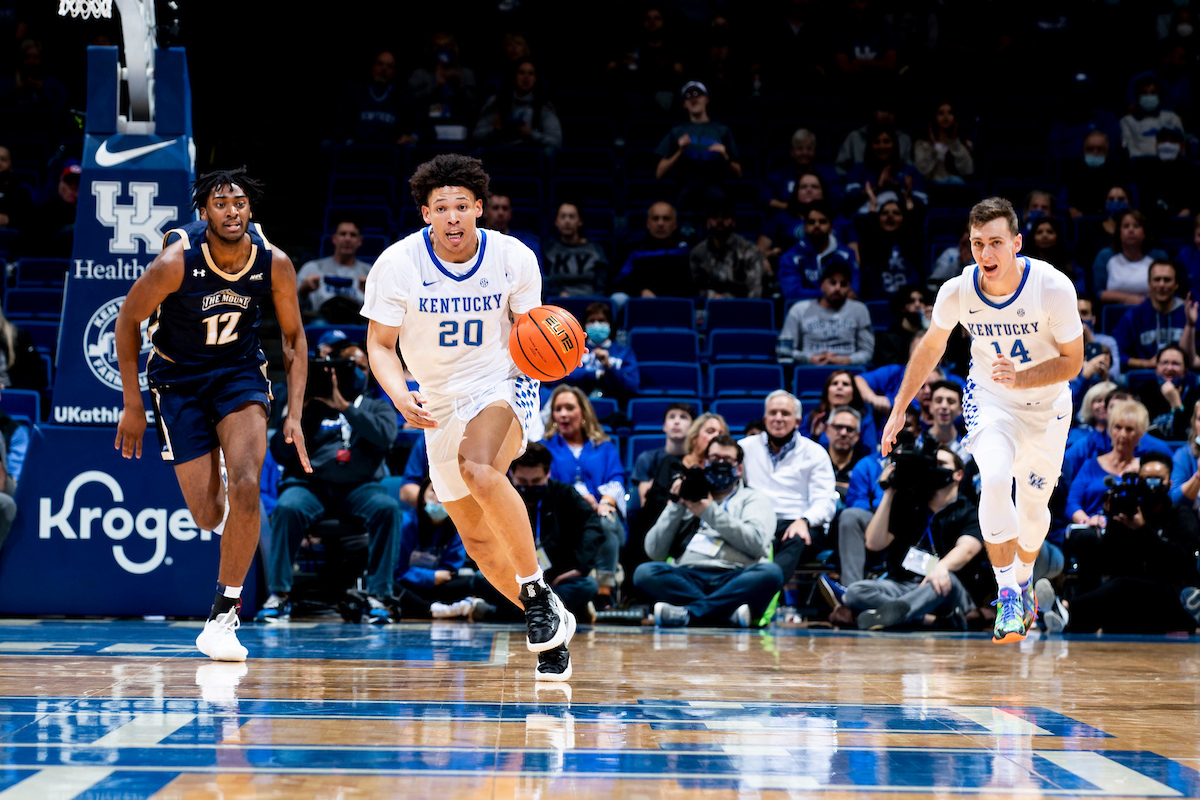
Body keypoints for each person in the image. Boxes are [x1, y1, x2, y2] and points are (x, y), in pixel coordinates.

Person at [361, 154, 574, 681]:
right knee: (478, 543)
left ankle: (534, 591)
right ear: (426, 215)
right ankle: (548, 616)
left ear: (479, 208)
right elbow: (380, 346)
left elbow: (534, 332)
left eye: (462, 205)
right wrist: (399, 394)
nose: (452, 216)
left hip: (503, 383)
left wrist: (557, 352)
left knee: (480, 469)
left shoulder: (512, 257)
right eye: (441, 207)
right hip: (436, 397)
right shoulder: (397, 264)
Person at [114, 168, 312, 661]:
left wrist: (294, 412)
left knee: (248, 482)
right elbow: (127, 319)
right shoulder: (175, 262)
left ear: (250, 210)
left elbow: (292, 338)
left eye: (240, 203)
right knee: (207, 516)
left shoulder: (274, 262)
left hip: (238, 374)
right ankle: (220, 475)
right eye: (221, 204)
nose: (232, 211)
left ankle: (223, 617)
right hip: (177, 381)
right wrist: (132, 403)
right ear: (204, 212)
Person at [879, 196, 1084, 644]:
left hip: (1048, 408)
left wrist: (1024, 376)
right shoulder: (958, 290)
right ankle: (1007, 592)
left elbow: (1074, 362)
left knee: (1033, 511)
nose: (986, 255)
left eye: (995, 243)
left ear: (1016, 243)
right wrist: (899, 409)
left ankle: (1025, 579)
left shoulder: (1052, 287)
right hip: (991, 400)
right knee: (992, 479)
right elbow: (931, 347)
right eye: (977, 244)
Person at [257, 348, 405, 624]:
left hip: (360, 489)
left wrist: (345, 407)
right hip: (310, 486)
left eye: (362, 367)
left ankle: (378, 596)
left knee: (387, 509)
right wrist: (304, 413)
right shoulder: (304, 405)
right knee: (288, 507)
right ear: (331, 372)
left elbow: (385, 437)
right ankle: (279, 596)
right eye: (349, 366)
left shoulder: (376, 405)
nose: (356, 372)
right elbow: (279, 452)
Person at [1041, 451, 1200, 635]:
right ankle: (1061, 620)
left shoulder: (1181, 516)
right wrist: (1113, 520)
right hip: (1135, 596)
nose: (1151, 486)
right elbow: (1110, 560)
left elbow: (1180, 562)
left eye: (1157, 480)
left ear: (1169, 484)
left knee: (1123, 587)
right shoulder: (1130, 511)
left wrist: (1143, 530)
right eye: (1146, 479)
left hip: (1174, 595)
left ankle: (1063, 608)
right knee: (1118, 594)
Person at [635, 434, 784, 627]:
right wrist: (676, 504)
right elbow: (655, 551)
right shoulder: (690, 495)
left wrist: (708, 512)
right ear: (705, 464)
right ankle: (724, 612)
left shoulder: (753, 499)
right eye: (714, 459)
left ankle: (690, 613)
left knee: (771, 572)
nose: (720, 464)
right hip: (689, 577)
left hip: (735, 578)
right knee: (644, 572)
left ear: (739, 468)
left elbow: (756, 543)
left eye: (727, 460)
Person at [844, 437, 985, 630]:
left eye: (942, 464)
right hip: (904, 585)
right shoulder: (911, 505)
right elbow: (874, 543)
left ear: (958, 474)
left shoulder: (969, 511)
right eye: (933, 464)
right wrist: (890, 492)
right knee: (855, 591)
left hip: (946, 588)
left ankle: (893, 613)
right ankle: (927, 621)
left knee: (944, 579)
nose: (936, 468)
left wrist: (941, 567)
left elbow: (967, 549)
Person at [488, 442, 608, 622]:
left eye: (536, 482)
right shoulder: (501, 496)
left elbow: (592, 527)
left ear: (548, 473)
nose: (529, 487)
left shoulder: (565, 493)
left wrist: (579, 567)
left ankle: (509, 613)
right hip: (514, 578)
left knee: (587, 586)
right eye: (522, 482)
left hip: (557, 577)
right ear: (511, 474)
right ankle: (553, 611)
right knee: (479, 580)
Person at [739, 390, 838, 585]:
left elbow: (825, 501)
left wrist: (805, 520)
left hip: (799, 523)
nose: (778, 418)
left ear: (798, 420)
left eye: (785, 413)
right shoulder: (744, 448)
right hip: (757, 522)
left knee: (796, 538)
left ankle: (759, 589)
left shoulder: (815, 453)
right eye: (773, 413)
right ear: (765, 418)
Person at [543, 385, 626, 612]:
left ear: (583, 413)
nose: (563, 414)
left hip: (600, 509)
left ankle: (604, 591)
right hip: (565, 516)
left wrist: (606, 502)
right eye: (558, 409)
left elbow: (616, 479)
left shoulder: (604, 447)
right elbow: (548, 485)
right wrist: (579, 501)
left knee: (606, 522)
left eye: (569, 408)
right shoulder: (545, 448)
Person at [388, 479, 492, 620]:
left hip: (437, 586)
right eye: (434, 491)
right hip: (406, 584)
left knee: (477, 581)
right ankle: (433, 610)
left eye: (445, 492)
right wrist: (430, 577)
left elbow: (449, 571)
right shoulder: (405, 523)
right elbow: (396, 570)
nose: (439, 497)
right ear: (422, 495)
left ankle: (506, 612)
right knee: (388, 583)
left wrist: (436, 578)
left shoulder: (457, 528)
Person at [654, 81, 742, 217]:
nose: (693, 98)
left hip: (716, 202)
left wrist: (725, 156)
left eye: (697, 94)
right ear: (684, 104)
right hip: (685, 201)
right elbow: (659, 173)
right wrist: (679, 151)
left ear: (706, 99)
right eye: (688, 96)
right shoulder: (677, 132)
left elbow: (738, 174)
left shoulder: (722, 130)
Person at [779, 262, 874, 365]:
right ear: (822, 285)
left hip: (847, 372)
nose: (837, 288)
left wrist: (845, 360)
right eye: (833, 283)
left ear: (849, 288)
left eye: (843, 284)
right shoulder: (799, 310)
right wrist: (809, 359)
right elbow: (784, 350)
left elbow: (867, 352)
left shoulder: (859, 310)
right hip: (809, 370)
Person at [777, 202, 860, 304]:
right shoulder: (790, 257)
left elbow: (853, 289)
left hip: (840, 310)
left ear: (831, 228)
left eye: (822, 221)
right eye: (811, 222)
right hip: (804, 310)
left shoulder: (847, 255)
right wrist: (830, 293)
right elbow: (792, 293)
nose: (817, 225)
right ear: (805, 227)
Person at [472, 59, 563, 149]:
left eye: (531, 73)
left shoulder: (544, 106)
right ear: (514, 75)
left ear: (536, 78)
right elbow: (475, 136)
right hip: (499, 155)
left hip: (531, 157)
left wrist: (531, 134)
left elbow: (556, 141)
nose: (526, 77)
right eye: (522, 72)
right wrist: (493, 130)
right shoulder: (497, 101)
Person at [561, 302, 639, 402]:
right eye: (591, 321)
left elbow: (632, 386)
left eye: (602, 321)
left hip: (614, 409)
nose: (596, 325)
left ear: (610, 324)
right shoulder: (574, 350)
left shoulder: (625, 353)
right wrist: (597, 374)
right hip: (577, 404)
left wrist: (609, 367)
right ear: (584, 326)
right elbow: (563, 376)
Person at [297, 218, 373, 321]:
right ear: (334, 238)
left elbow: (382, 311)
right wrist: (303, 291)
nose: (347, 239)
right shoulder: (311, 268)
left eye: (353, 235)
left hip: (356, 323)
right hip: (321, 321)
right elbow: (291, 307)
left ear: (360, 241)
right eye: (343, 234)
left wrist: (371, 294)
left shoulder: (370, 273)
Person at [689, 201, 766, 299]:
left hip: (741, 307)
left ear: (733, 221)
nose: (720, 221)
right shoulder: (698, 253)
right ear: (707, 222)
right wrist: (713, 297)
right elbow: (695, 288)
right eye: (714, 217)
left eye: (725, 216)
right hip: (707, 307)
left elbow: (755, 291)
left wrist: (728, 302)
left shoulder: (749, 251)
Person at [1093, 209, 1168, 306]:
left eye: (1136, 226)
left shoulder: (1158, 257)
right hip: (1114, 313)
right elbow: (1099, 292)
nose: (1131, 230)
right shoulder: (1105, 256)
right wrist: (1127, 299)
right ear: (1119, 232)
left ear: (1144, 232)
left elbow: (1168, 286)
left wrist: (1146, 300)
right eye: (1126, 226)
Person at [856, 199, 924, 299]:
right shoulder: (871, 245)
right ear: (878, 219)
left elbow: (916, 228)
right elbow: (867, 233)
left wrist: (908, 201)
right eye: (885, 213)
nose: (890, 216)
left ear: (904, 219)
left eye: (896, 213)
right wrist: (873, 207)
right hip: (877, 299)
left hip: (908, 302)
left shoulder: (912, 244)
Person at [761, 129, 842, 212]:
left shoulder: (828, 174)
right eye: (800, 149)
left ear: (814, 151)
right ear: (792, 152)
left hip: (821, 218)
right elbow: (765, 199)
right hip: (789, 219)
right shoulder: (780, 175)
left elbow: (837, 199)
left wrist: (814, 211)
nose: (805, 152)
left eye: (809, 148)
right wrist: (791, 208)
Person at [542, 202, 609, 297]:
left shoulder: (595, 249)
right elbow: (545, 281)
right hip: (558, 301)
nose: (567, 221)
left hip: (591, 302)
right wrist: (557, 293)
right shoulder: (548, 248)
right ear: (556, 221)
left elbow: (602, 284)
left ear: (580, 221)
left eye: (572, 217)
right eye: (563, 216)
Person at [1059, 131, 1131, 219]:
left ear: (1107, 152)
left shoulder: (1118, 172)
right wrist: (1069, 209)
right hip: (1080, 221)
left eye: (1100, 149)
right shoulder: (1072, 172)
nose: (1095, 152)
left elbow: (1133, 201)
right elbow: (1061, 201)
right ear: (1084, 151)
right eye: (1090, 149)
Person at [802, 368, 877, 446]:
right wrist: (814, 437)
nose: (839, 387)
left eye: (845, 384)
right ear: (827, 391)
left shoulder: (865, 420)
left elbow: (870, 452)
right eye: (834, 383)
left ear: (853, 393)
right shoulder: (812, 418)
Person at [1120, 73, 1185, 159]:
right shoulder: (1127, 121)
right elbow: (1129, 148)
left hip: (1169, 163)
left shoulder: (1171, 118)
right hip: (1139, 165)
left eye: (1153, 93)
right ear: (1137, 97)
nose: (1149, 96)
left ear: (1160, 97)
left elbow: (1181, 145)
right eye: (1144, 93)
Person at [912, 101, 974, 184]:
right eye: (941, 113)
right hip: (932, 187)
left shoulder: (965, 144)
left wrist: (955, 144)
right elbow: (921, 173)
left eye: (950, 113)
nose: (946, 116)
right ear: (935, 118)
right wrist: (936, 147)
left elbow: (968, 171)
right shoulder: (922, 145)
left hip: (957, 188)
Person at [874, 287, 929, 367]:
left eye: (921, 301)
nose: (917, 305)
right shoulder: (889, 337)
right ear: (902, 306)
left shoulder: (928, 331)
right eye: (911, 301)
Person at [481, 191, 541, 261]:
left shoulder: (527, 245)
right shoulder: (475, 243)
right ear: (484, 212)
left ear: (510, 213)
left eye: (505, 208)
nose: (500, 213)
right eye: (495, 208)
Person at [825, 406, 868, 503]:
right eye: (838, 427)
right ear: (827, 430)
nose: (843, 433)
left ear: (858, 436)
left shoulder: (864, 465)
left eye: (849, 429)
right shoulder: (816, 459)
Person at [927, 380, 969, 462]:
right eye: (938, 401)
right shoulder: (916, 444)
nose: (944, 406)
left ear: (961, 409)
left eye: (951, 402)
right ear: (930, 406)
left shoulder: (967, 450)